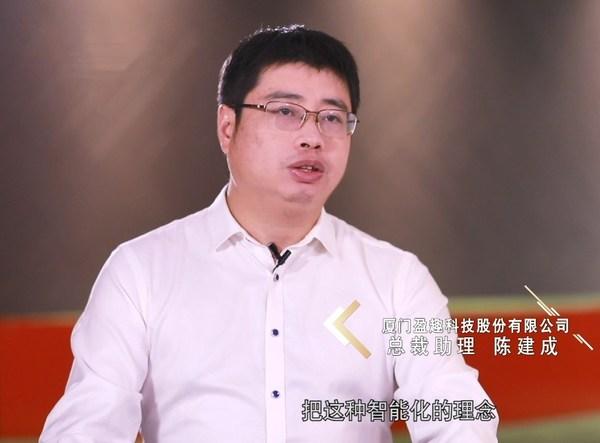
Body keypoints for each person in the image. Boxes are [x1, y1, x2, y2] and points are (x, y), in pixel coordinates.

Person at [41, 25, 498, 442]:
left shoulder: (396, 279)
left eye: (332, 117)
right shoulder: (142, 272)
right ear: (227, 127)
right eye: (285, 111)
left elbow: (457, 415)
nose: (312, 137)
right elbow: (87, 426)